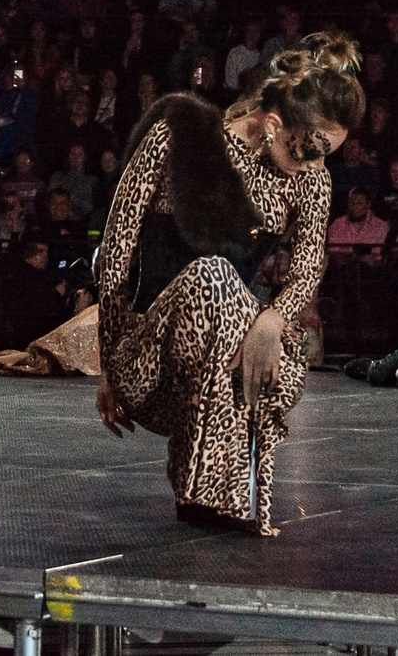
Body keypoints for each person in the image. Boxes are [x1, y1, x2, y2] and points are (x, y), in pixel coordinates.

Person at [93, 35, 363, 535]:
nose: (316, 166)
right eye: (311, 151)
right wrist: (109, 363)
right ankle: (210, 489)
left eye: (327, 156)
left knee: (247, 312)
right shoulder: (179, 138)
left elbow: (307, 267)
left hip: (231, 354)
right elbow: (115, 251)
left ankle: (213, 495)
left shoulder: (310, 180)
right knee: (212, 274)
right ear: (275, 124)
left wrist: (272, 319)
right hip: (151, 359)